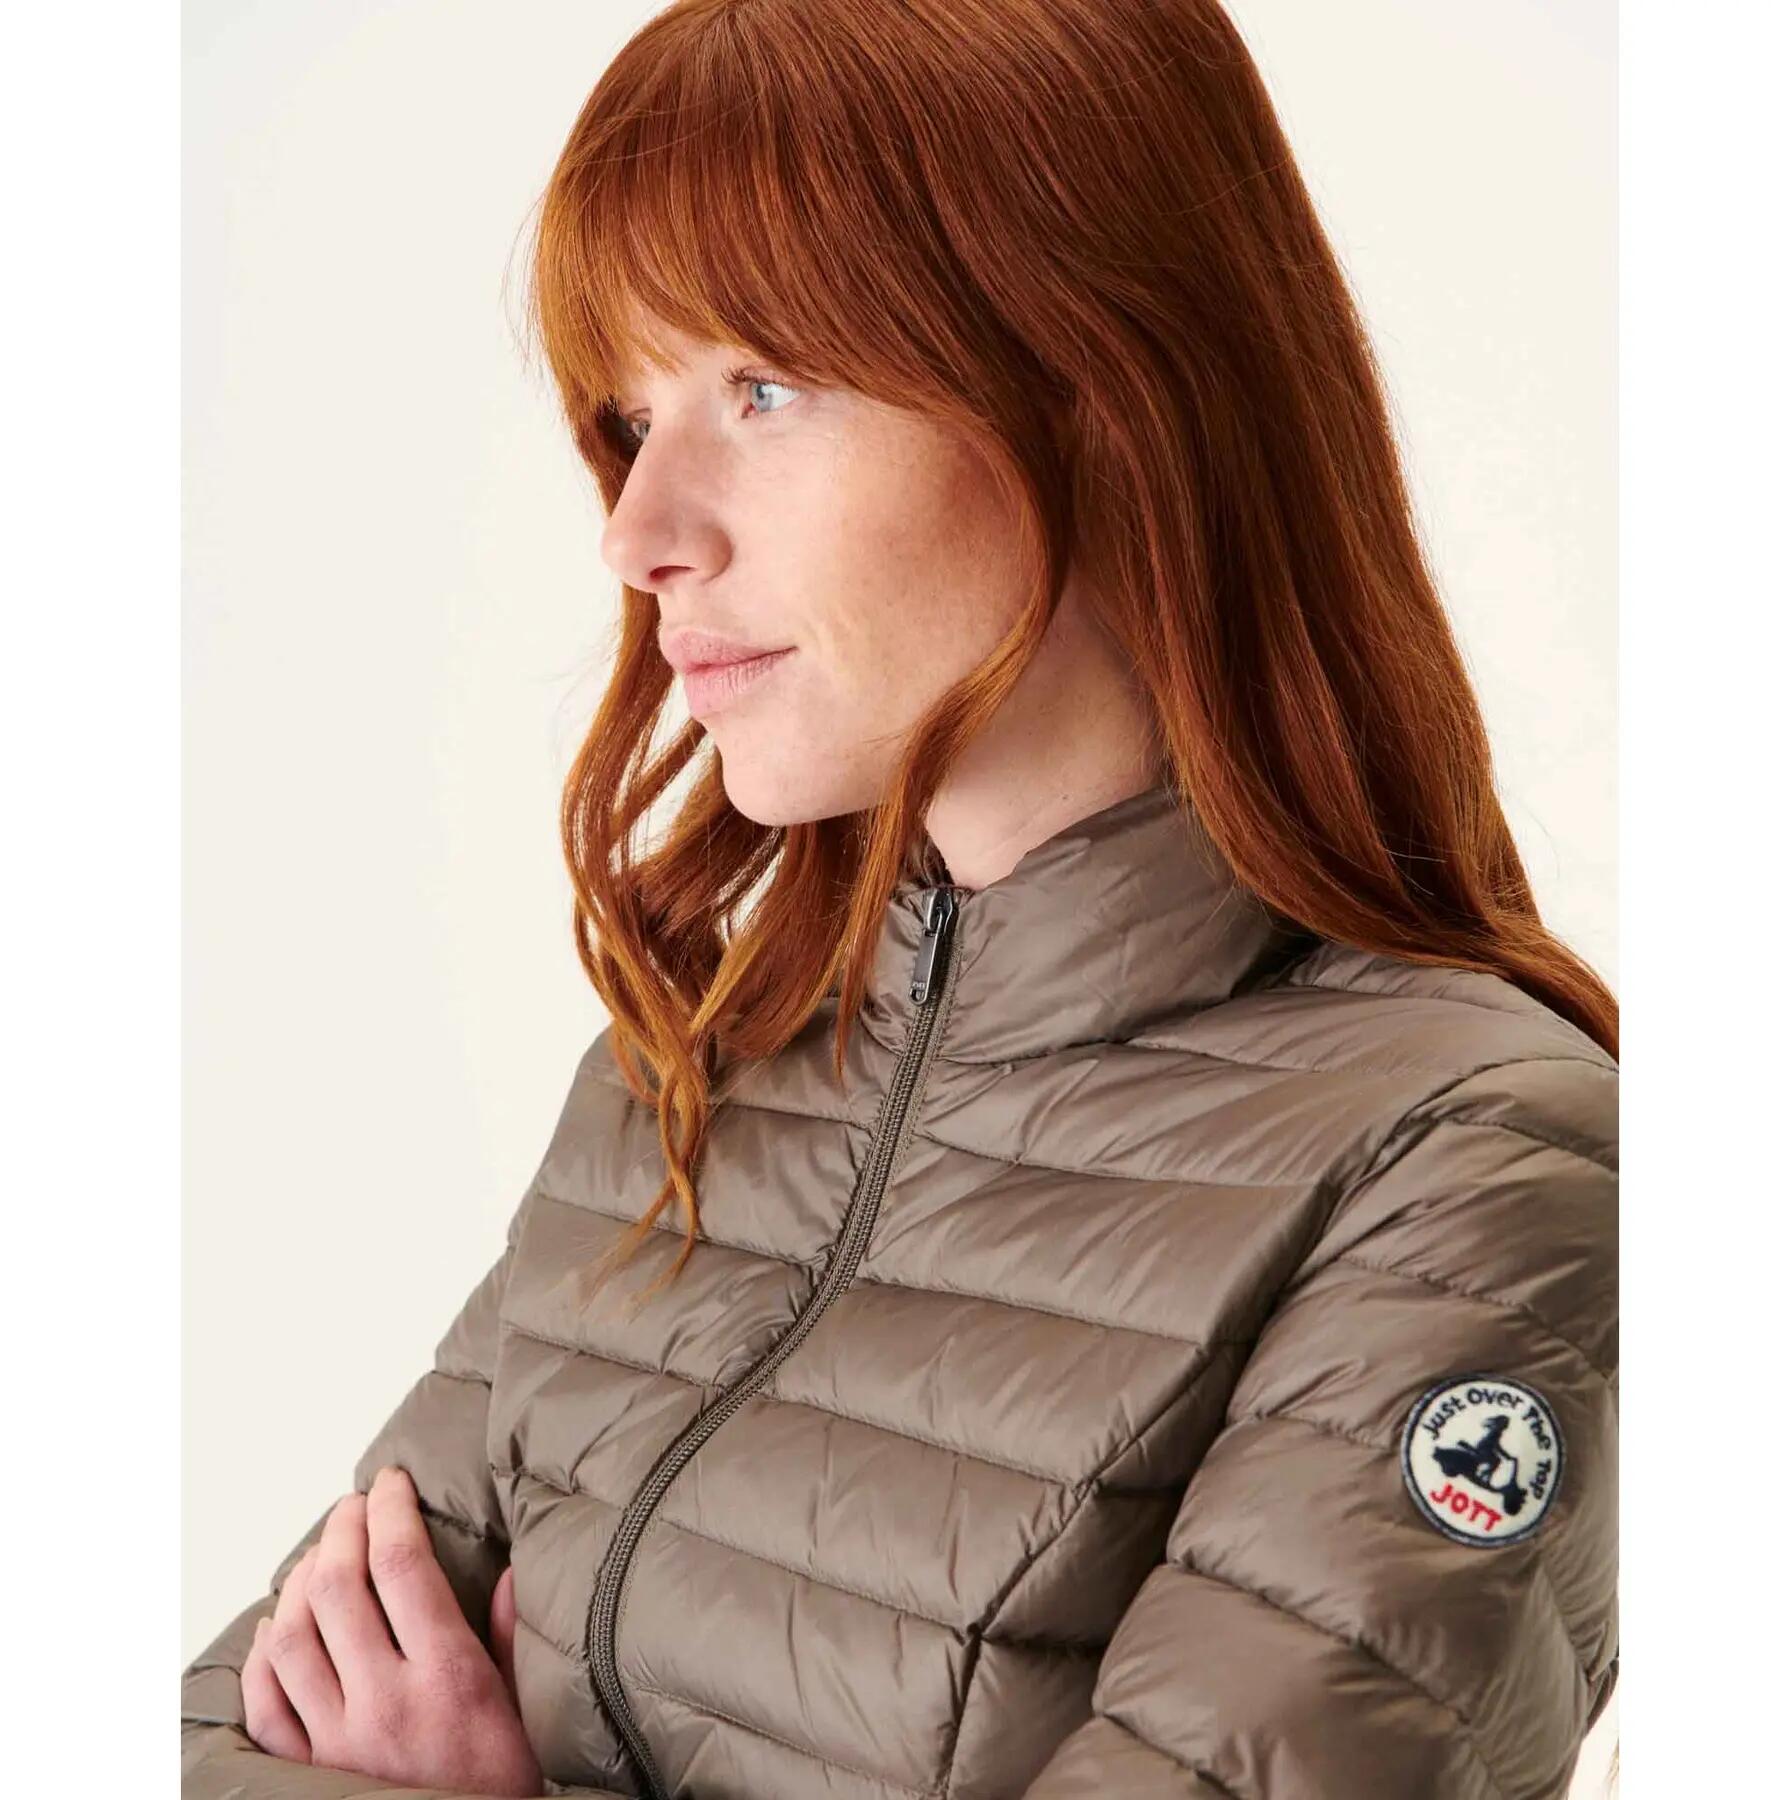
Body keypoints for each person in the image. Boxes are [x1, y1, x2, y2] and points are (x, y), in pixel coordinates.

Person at [181, 1, 1619, 1796]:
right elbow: (224, 1726)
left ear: (1102, 386)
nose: (640, 531)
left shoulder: (1475, 1167)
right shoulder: (685, 1082)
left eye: (762, 388)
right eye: (634, 412)